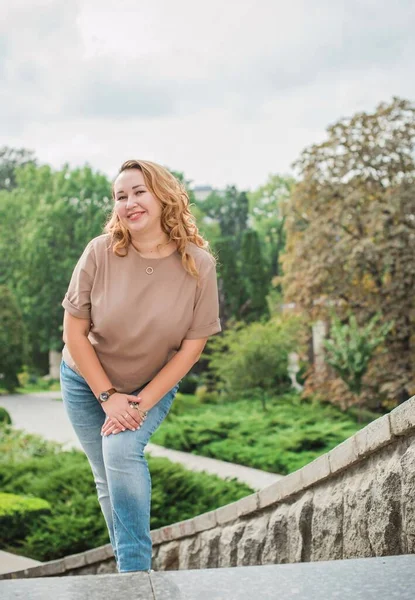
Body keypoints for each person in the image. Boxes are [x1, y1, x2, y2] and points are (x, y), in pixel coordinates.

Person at [59, 159, 222, 573]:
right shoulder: (99, 252)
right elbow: (74, 335)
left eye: (138, 192)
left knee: (120, 450)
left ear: (163, 195)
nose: (129, 203)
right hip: (85, 379)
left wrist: (139, 403)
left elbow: (191, 348)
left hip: (151, 383)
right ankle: (129, 571)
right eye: (120, 196)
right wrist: (109, 397)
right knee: (106, 476)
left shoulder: (198, 264)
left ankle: (133, 573)